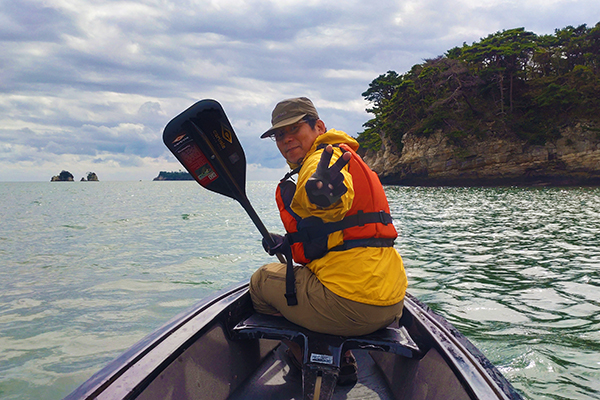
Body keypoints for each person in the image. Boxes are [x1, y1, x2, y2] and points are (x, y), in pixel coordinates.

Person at [249, 97, 407, 385]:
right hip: (393, 304)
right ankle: (340, 346)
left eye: (294, 129)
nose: (286, 139)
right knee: (307, 274)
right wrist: (289, 243)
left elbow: (331, 198)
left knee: (260, 282)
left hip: (348, 305)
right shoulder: (345, 157)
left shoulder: (323, 160)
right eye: (279, 135)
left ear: (318, 127)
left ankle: (305, 351)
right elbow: (336, 233)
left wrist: (323, 194)